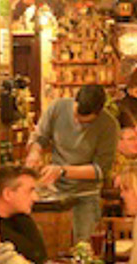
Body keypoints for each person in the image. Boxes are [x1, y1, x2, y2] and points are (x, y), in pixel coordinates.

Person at [27, 83, 121, 243]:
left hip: (86, 196)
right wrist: (35, 153)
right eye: (76, 115)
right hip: (55, 194)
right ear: (74, 101)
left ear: (98, 114)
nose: (77, 122)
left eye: (85, 122)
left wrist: (62, 170)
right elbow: (40, 137)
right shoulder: (58, 107)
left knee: (85, 250)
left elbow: (100, 170)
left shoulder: (108, 126)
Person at [0, 165, 47, 264]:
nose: (35, 198)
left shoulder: (20, 217)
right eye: (30, 191)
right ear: (8, 194)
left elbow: (39, 257)